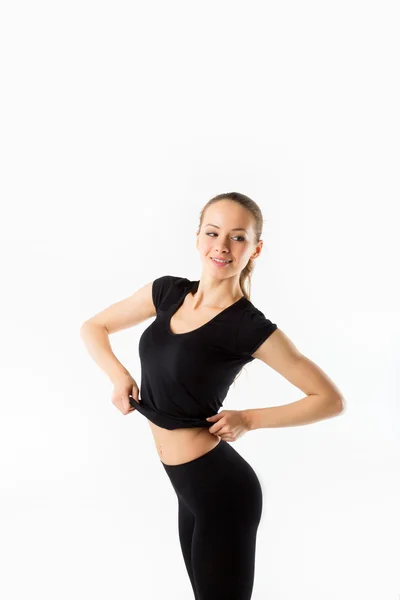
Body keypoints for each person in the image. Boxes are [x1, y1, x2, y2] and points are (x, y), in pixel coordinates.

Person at [80, 192, 345, 600]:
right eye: (213, 232)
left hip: (222, 493)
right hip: (188, 488)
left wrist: (249, 418)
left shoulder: (248, 326)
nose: (222, 245)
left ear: (255, 249)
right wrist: (119, 377)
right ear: (198, 237)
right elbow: (93, 327)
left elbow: (329, 399)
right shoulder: (167, 293)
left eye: (237, 237)